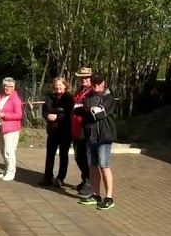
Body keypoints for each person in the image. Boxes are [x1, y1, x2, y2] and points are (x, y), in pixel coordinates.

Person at [78, 73, 116, 210]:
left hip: (104, 137)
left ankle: (109, 197)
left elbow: (100, 114)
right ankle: (96, 195)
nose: (96, 85)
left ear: (103, 83)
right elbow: (79, 110)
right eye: (94, 82)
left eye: (98, 83)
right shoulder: (88, 97)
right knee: (92, 166)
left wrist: (89, 111)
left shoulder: (108, 98)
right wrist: (89, 111)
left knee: (104, 166)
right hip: (91, 136)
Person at [39, 77, 74, 188]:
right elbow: (44, 111)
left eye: (60, 85)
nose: (58, 87)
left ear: (65, 86)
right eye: (56, 85)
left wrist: (57, 116)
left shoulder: (69, 98)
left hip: (65, 131)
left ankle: (60, 178)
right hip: (52, 130)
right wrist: (47, 115)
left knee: (63, 155)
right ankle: (47, 177)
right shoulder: (50, 97)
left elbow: (70, 114)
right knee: (50, 155)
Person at [0, 77, 23, 181]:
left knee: (9, 151)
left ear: (13, 88)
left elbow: (19, 115)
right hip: (1, 126)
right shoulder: (0, 96)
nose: (7, 88)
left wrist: (4, 115)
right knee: (2, 149)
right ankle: (6, 169)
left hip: (11, 128)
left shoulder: (15, 99)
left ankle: (11, 171)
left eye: (10, 86)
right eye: (6, 86)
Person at [70, 68, 94, 194]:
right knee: (79, 157)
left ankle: (89, 182)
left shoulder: (93, 93)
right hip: (76, 128)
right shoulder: (78, 92)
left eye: (87, 77)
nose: (84, 79)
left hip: (86, 129)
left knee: (86, 157)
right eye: (82, 77)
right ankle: (85, 178)